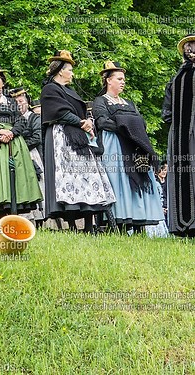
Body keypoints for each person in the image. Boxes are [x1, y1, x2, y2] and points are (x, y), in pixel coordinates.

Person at [40, 51, 115, 233]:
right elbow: (59, 112)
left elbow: (80, 113)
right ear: (60, 71)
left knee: (86, 177)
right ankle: (72, 225)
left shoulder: (70, 91)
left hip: (79, 137)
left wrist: (87, 122)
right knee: (69, 179)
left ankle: (89, 226)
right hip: (62, 138)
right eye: (70, 70)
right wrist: (81, 122)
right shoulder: (50, 89)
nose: (72, 73)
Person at [93, 61, 164, 232]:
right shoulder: (100, 101)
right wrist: (126, 128)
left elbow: (142, 123)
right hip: (114, 145)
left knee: (138, 177)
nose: (123, 82)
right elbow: (102, 122)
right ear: (108, 80)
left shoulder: (129, 103)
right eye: (119, 79)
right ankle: (119, 223)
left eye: (124, 79)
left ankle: (139, 221)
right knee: (119, 181)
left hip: (134, 147)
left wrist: (131, 131)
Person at [0, 63, 42, 218]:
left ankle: (14, 218)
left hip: (13, 144)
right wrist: (0, 131)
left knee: (15, 177)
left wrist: (11, 133)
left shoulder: (11, 102)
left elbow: (21, 122)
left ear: (2, 83)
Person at [161, 34, 195, 236]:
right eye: (190, 46)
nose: (191, 49)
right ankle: (183, 226)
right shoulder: (176, 79)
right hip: (181, 135)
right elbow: (167, 113)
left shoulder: (177, 78)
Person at [9, 87, 45, 227]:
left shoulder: (34, 117)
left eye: (21, 101)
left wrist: (20, 146)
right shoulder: (14, 120)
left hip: (32, 154)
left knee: (37, 183)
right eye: (16, 102)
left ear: (27, 102)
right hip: (18, 156)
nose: (19, 104)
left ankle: (40, 219)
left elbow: (37, 137)